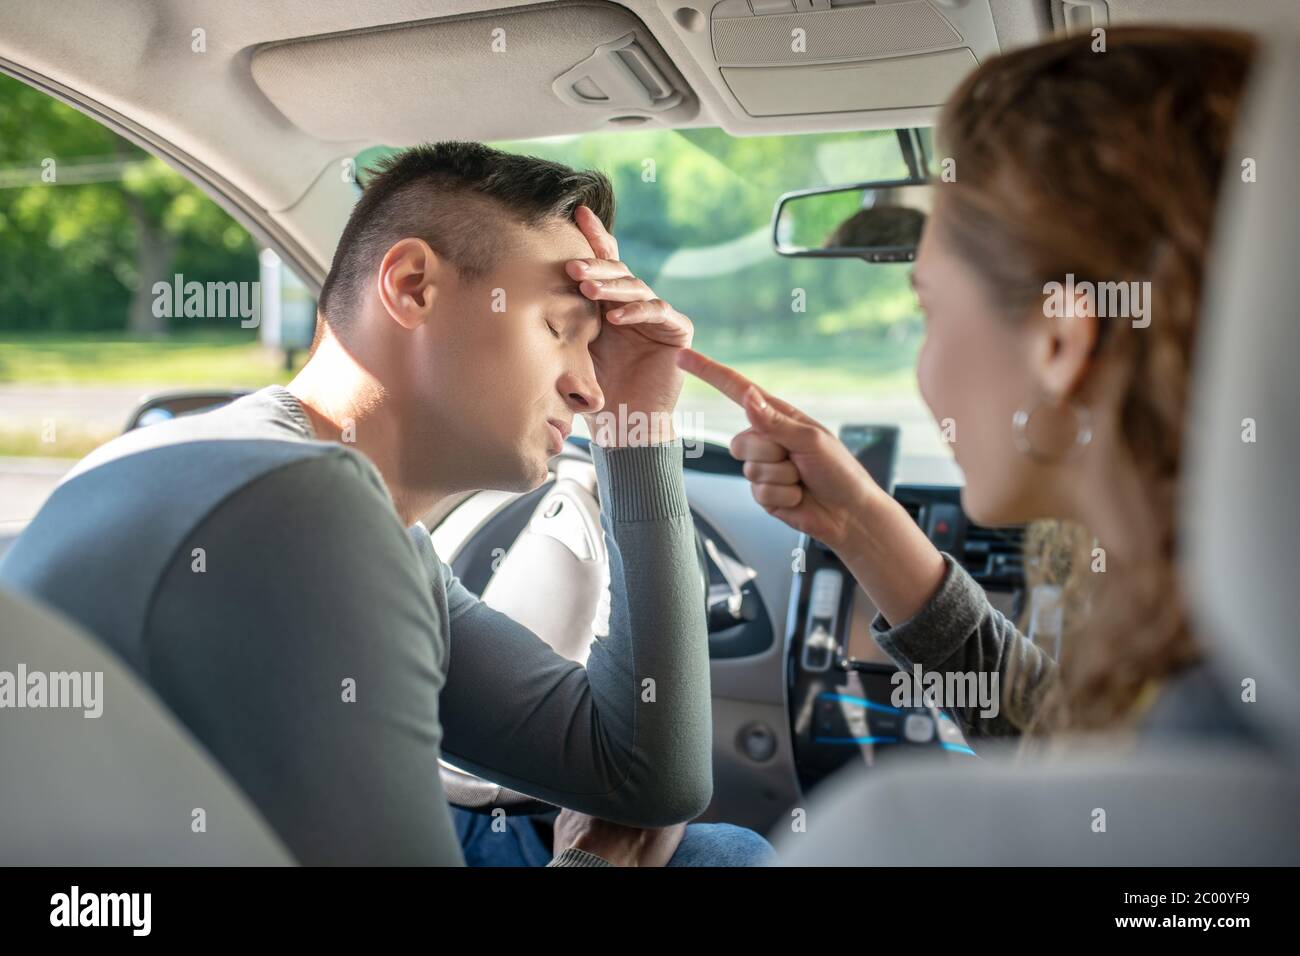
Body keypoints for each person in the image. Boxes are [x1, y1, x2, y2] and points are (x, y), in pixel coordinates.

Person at [0, 142, 771, 866]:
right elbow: (638, 802)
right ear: (412, 286)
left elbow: (649, 777)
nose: (589, 385)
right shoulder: (300, 504)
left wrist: (639, 419)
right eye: (559, 330)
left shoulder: (326, 504)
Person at [679, 26, 1261, 750]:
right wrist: (860, 522)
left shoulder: (1200, 730)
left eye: (929, 310)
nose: (921, 371)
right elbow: (1046, 730)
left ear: (1058, 343)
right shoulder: (1230, 643)